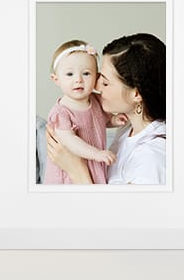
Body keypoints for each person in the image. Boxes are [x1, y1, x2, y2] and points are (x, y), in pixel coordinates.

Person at [47, 33, 167, 186]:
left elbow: (111, 210)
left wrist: (76, 170)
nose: (95, 87)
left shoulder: (151, 158)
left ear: (136, 94)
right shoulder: (127, 129)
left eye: (105, 82)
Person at [42, 40, 116, 185]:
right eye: (69, 74)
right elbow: (69, 141)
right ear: (56, 79)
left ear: (96, 77)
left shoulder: (95, 101)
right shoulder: (61, 112)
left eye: (86, 73)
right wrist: (96, 154)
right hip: (69, 174)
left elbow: (100, 122)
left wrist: (113, 121)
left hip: (93, 164)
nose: (78, 80)